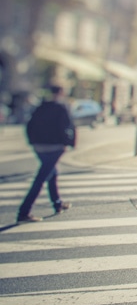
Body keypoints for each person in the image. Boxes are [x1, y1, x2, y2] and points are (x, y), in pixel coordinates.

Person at [17, 85, 75, 223]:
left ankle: (57, 204)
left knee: (52, 173)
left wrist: (32, 142)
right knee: (41, 178)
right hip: (55, 147)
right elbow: (68, 126)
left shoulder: (40, 106)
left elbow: (29, 126)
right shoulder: (62, 107)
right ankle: (23, 212)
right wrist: (69, 143)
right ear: (61, 92)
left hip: (39, 147)